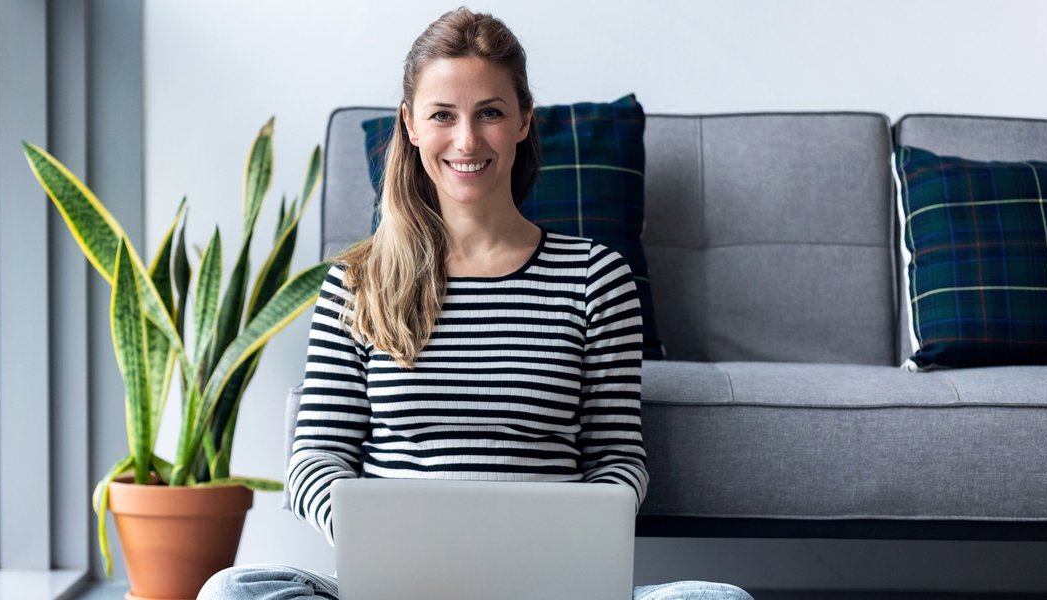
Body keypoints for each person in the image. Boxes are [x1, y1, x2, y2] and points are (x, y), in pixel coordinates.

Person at [199, 7, 754, 600]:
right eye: (443, 115)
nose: (467, 140)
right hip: (394, 586)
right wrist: (382, 545)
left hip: (551, 586)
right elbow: (317, 455)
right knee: (232, 590)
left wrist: (568, 545)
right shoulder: (358, 279)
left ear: (522, 122)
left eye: (490, 112)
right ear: (410, 125)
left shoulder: (595, 276)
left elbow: (617, 457)